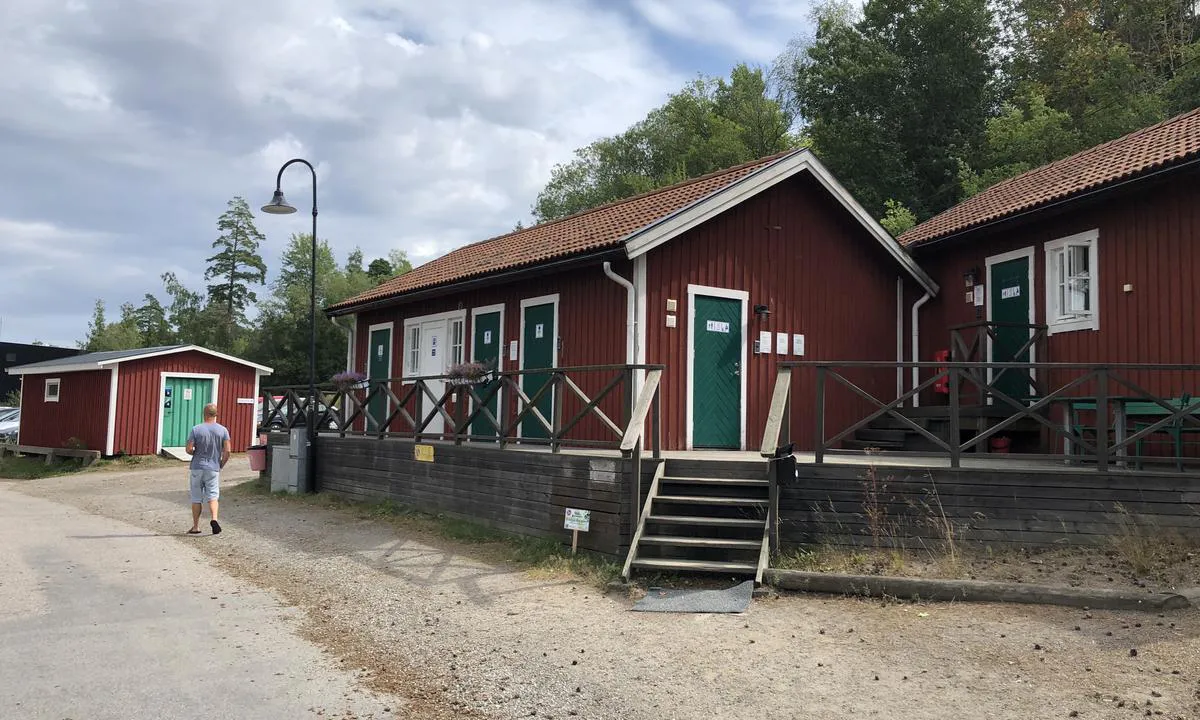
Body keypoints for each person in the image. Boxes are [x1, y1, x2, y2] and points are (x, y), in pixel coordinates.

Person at [185, 402, 230, 535]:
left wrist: (195, 453)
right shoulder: (223, 430)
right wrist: (221, 463)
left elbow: (188, 449)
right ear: (216, 414)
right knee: (213, 496)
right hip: (213, 468)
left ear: (204, 414)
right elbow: (227, 451)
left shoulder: (196, 429)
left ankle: (195, 526)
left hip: (197, 467)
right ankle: (214, 519)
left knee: (196, 498)